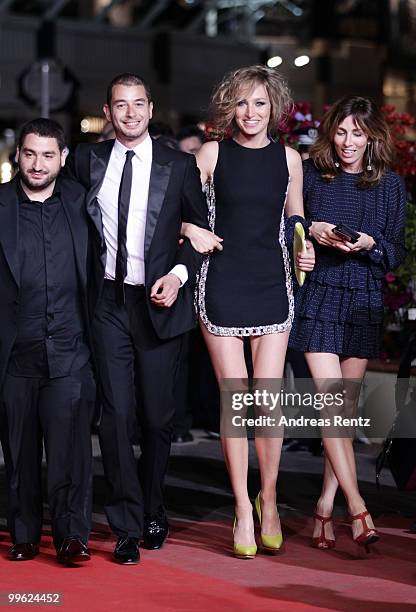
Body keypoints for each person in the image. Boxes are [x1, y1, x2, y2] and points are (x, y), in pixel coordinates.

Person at [65, 73, 209, 564]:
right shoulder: (87, 160)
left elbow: (202, 233)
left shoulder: (179, 163)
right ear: (108, 112)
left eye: (138, 104)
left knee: (157, 418)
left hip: (159, 303)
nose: (130, 113)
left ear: (151, 108)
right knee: (116, 415)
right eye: (120, 106)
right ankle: (126, 523)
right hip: (106, 303)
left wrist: (178, 274)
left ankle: (153, 507)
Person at [182, 65, 315, 558]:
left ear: (274, 108)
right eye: (242, 103)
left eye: (260, 103)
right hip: (220, 284)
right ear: (229, 107)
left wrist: (306, 247)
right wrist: (187, 230)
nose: (251, 112)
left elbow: (295, 217)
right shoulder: (211, 154)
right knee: (237, 404)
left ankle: (272, 501)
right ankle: (242, 506)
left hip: (272, 286)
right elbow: (181, 210)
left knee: (270, 402)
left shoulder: (290, 159)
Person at [289, 96, 406, 551]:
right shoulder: (313, 173)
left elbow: (396, 251)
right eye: (341, 131)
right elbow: (290, 226)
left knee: (343, 409)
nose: (348, 142)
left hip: (363, 300)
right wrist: (312, 231)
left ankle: (324, 505)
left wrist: (372, 245)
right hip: (318, 295)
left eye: (357, 133)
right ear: (329, 132)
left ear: (373, 136)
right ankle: (357, 506)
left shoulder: (390, 185)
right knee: (330, 406)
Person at [0, 119, 95, 564]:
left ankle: (71, 536)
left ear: (62, 158)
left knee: (70, 451)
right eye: (30, 154)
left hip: (71, 348)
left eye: (48, 155)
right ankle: (22, 534)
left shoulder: (81, 202)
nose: (38, 164)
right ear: (17, 155)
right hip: (14, 352)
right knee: (18, 451)